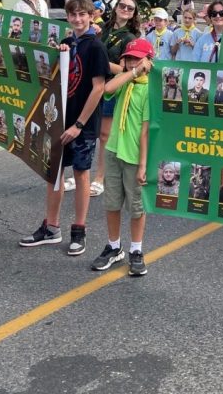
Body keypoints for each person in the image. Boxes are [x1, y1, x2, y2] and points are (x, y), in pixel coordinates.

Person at [19, 0, 110, 255]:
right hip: (60, 119)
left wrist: (80, 124)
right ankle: (51, 226)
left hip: (82, 123)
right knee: (54, 172)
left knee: (81, 173)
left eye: (83, 15)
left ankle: (79, 230)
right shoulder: (68, 43)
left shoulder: (96, 47)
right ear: (68, 17)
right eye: (73, 15)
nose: (78, 19)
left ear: (91, 16)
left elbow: (99, 87)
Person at [90, 38, 153, 275]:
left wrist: (143, 165)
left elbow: (146, 130)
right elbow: (107, 89)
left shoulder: (149, 89)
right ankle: (114, 246)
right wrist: (133, 70)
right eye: (129, 58)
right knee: (112, 202)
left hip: (135, 155)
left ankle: (136, 249)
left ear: (149, 60)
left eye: (138, 57)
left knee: (136, 207)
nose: (132, 62)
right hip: (114, 150)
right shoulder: (125, 82)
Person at [89, 0, 139, 198]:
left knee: (104, 135)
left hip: (111, 87)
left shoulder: (130, 38)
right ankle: (81, 172)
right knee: (87, 130)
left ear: (134, 14)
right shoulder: (104, 28)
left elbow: (124, 68)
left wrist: (100, 61)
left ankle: (99, 177)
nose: (125, 9)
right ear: (116, 7)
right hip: (92, 83)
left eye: (130, 8)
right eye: (122, 5)